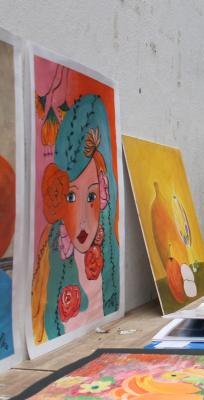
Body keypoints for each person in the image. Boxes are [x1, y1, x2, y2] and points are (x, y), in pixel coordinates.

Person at [32, 94, 120, 344]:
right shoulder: (50, 264)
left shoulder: (109, 260)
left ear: (104, 193)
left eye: (91, 195)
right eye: (71, 196)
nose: (82, 221)